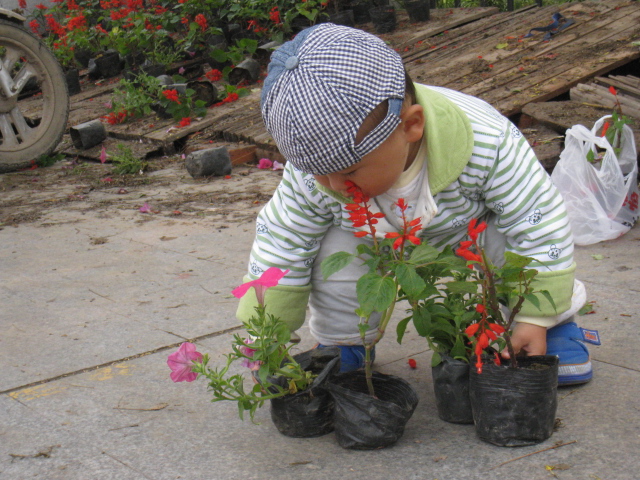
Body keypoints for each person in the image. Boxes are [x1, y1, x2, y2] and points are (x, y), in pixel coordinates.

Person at [236, 23, 600, 385]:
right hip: (369, 239)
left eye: (348, 171)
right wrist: (265, 332)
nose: (334, 187)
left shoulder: (488, 141)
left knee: (509, 245)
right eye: (318, 172)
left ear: (411, 126)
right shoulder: (314, 177)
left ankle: (550, 327)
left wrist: (537, 316)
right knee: (333, 258)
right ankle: (345, 343)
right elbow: (282, 243)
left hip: (465, 231)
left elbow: (539, 220)